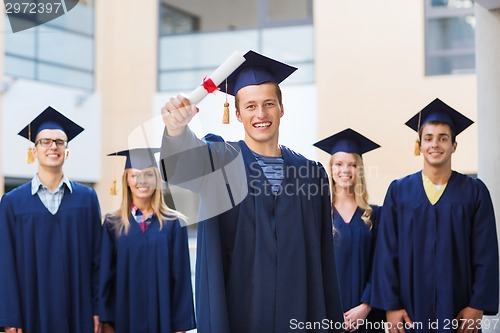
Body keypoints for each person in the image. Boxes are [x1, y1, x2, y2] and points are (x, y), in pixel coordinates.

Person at [160, 50, 344, 333]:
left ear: (281, 109)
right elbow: (182, 167)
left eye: (269, 104)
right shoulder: (219, 160)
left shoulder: (312, 174)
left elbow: (324, 263)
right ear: (236, 114)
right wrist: (175, 131)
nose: (261, 114)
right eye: (250, 106)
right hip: (238, 316)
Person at [371, 98, 499, 333]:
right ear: (419, 145)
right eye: (428, 138)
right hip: (410, 312)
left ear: (454, 145)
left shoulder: (474, 192)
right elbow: (386, 253)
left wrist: (477, 306)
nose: (435, 144)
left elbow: (486, 253)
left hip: (459, 312)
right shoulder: (399, 192)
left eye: (443, 138)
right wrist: (391, 306)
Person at [0, 106, 103, 333]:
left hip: (79, 308)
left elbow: (98, 259)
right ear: (34, 151)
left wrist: (98, 309)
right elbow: (5, 264)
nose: (53, 146)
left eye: (59, 142)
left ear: (67, 151)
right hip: (29, 310)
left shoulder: (87, 199)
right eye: (45, 141)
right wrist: (10, 317)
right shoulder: (12, 202)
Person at [98, 148, 196, 333]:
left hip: (163, 319)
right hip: (122, 319)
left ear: (157, 180)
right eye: (135, 175)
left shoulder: (174, 224)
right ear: (127, 180)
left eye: (148, 175)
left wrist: (181, 327)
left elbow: (181, 280)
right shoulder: (113, 224)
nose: (142, 181)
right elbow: (105, 277)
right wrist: (106, 320)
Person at [314, 128, 385, 333]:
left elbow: (381, 265)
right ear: (331, 168)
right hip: (327, 315)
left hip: (367, 317)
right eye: (339, 164)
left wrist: (365, 306)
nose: (345, 170)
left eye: (352, 165)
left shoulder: (374, 215)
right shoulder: (320, 214)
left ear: (359, 169)